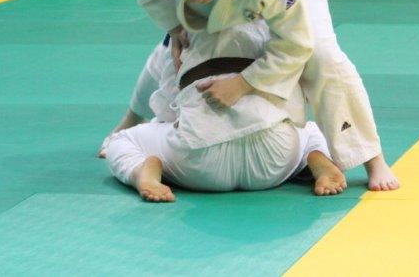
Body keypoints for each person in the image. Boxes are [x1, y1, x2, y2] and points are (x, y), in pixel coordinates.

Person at [114, 0, 400, 191]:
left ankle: (373, 160)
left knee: (322, 55)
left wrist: (243, 83)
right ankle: (130, 118)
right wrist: (175, 26)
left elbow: (296, 44)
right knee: (177, 45)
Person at [105, 22, 346, 202]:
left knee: (120, 141)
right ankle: (316, 155)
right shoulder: (280, 17)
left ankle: (141, 172)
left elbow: (168, 108)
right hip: (273, 159)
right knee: (311, 130)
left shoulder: (180, 27)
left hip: (200, 164)